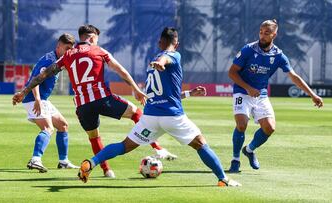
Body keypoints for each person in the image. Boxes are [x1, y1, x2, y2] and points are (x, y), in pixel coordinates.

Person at [77, 27, 241, 187]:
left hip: (150, 118)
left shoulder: (151, 65)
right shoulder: (173, 55)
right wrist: (161, 63)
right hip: (172, 117)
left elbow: (166, 93)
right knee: (201, 144)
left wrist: (190, 93)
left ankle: (91, 162)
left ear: (159, 42)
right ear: (176, 43)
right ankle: (223, 179)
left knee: (124, 146)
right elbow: (167, 58)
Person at [13, 25, 177, 178]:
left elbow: (42, 76)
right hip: (101, 98)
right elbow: (120, 70)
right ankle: (158, 148)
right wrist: (135, 89)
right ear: (91, 38)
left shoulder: (67, 55)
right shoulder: (98, 50)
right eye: (97, 38)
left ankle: (107, 171)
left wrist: (23, 91)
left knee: (93, 136)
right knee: (135, 112)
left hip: (82, 107)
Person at [227, 19, 323, 173]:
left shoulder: (278, 55)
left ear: (274, 35)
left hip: (261, 94)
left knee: (270, 128)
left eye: (266, 33)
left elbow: (294, 76)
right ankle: (235, 160)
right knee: (241, 125)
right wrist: (248, 88)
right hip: (242, 91)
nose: (262, 36)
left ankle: (250, 150)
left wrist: (312, 95)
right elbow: (232, 72)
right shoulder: (248, 50)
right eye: (261, 32)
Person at [22, 33, 78, 173]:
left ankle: (63, 161)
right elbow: (36, 79)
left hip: (43, 99)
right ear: (58, 46)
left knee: (63, 126)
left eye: (71, 49)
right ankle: (36, 159)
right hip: (33, 99)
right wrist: (38, 100)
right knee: (48, 128)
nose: (69, 52)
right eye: (66, 48)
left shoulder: (60, 59)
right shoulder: (49, 61)